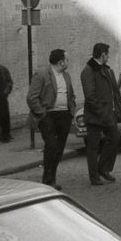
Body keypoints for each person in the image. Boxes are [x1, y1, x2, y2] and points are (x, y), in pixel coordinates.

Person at [26, 49, 77, 191]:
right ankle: (47, 179)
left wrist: (71, 110)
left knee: (59, 148)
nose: (68, 62)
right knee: (51, 146)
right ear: (61, 62)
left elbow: (71, 95)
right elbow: (32, 97)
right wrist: (42, 113)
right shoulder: (42, 74)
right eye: (67, 60)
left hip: (64, 115)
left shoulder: (66, 76)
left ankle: (52, 177)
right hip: (48, 115)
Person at [80, 42, 121, 186]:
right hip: (95, 115)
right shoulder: (88, 71)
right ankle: (94, 176)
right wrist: (100, 112)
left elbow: (113, 92)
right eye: (107, 54)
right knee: (93, 146)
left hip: (107, 112)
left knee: (115, 138)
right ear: (102, 55)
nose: (108, 57)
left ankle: (103, 168)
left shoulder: (106, 70)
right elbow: (90, 96)